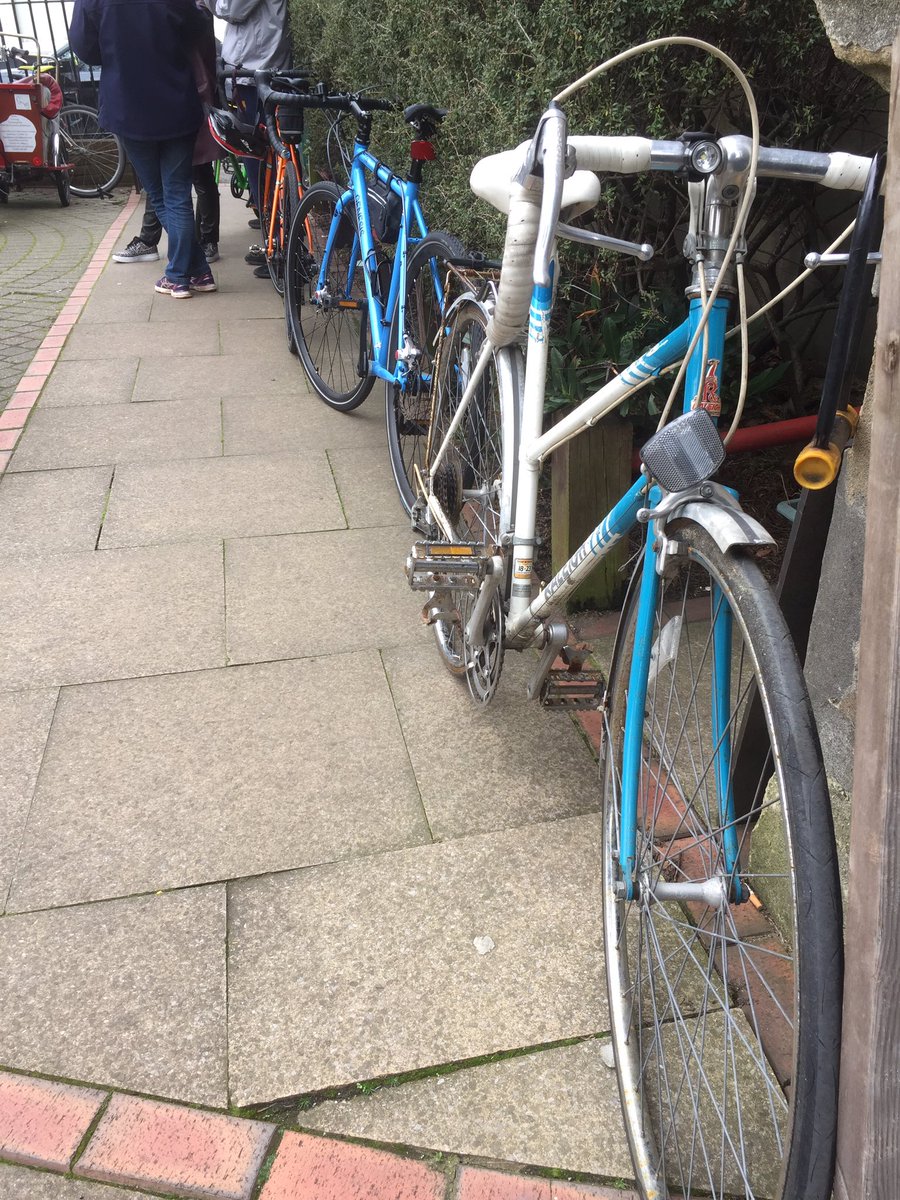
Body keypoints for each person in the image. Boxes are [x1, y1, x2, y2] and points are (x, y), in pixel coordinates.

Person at [69, 0, 217, 299]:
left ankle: (179, 276)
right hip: (176, 100)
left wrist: (117, 49)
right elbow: (198, 26)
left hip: (128, 102)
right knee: (176, 193)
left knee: (160, 194)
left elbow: (83, 47)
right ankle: (197, 270)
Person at [215, 0, 290, 276]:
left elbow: (232, 7)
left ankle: (280, 248)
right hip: (261, 67)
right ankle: (276, 241)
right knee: (267, 161)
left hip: (256, 70)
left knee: (258, 159)